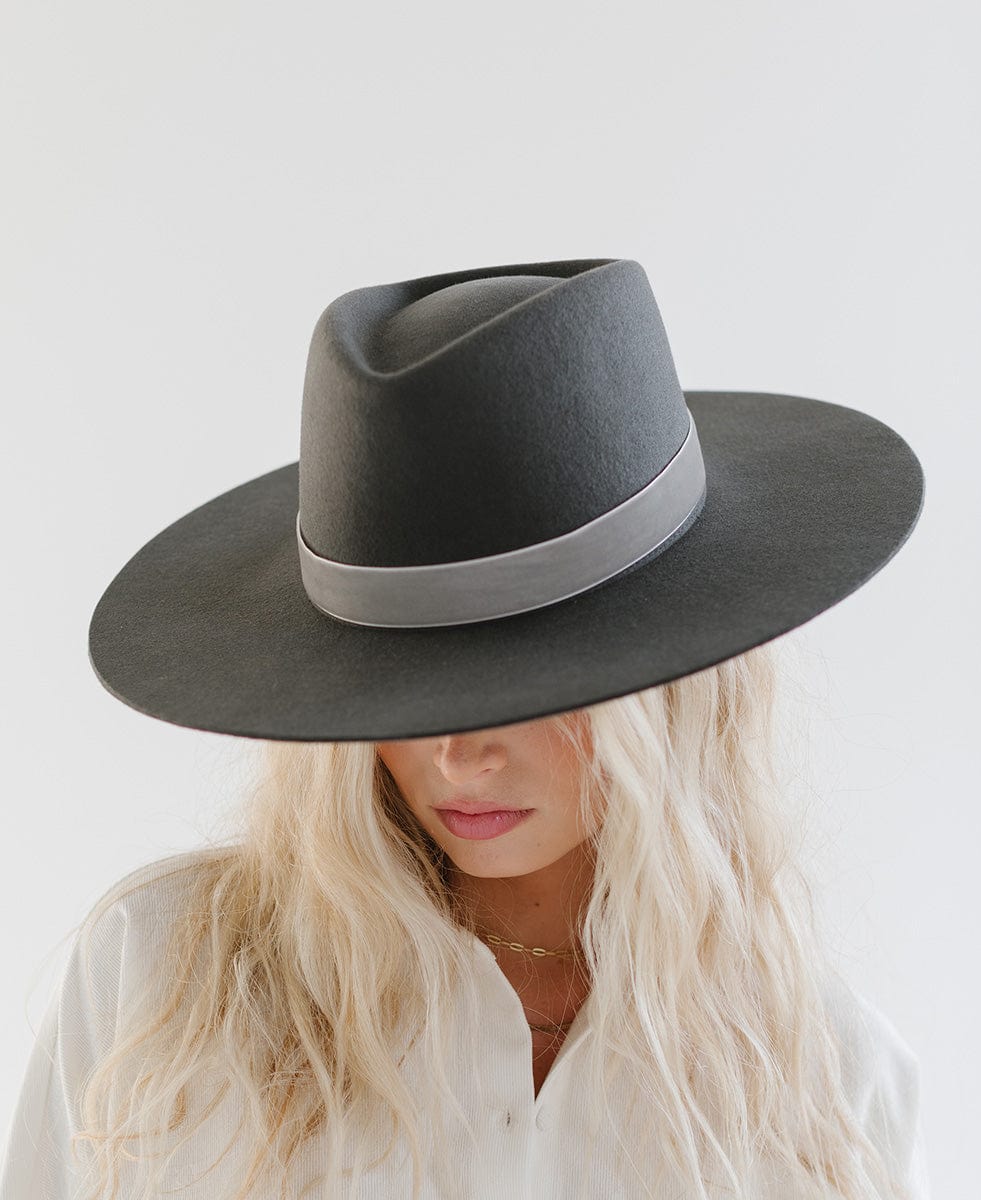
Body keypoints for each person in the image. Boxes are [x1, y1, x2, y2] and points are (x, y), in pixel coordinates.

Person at [0, 258, 931, 1199]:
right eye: (408, 685)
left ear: (667, 692)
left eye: (536, 680)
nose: (458, 751)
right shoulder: (158, 985)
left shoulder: (826, 1091)